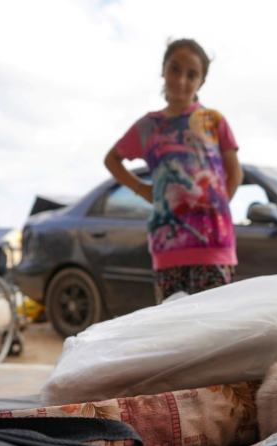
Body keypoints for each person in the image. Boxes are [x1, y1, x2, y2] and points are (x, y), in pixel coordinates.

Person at [104, 38, 244, 303]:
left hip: (213, 244)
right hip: (167, 245)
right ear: (163, 69)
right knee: (173, 329)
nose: (181, 80)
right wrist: (141, 188)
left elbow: (235, 174)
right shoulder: (147, 127)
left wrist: (217, 211)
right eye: (175, 69)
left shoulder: (214, 121)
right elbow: (112, 159)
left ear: (201, 82)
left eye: (192, 74)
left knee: (215, 329)